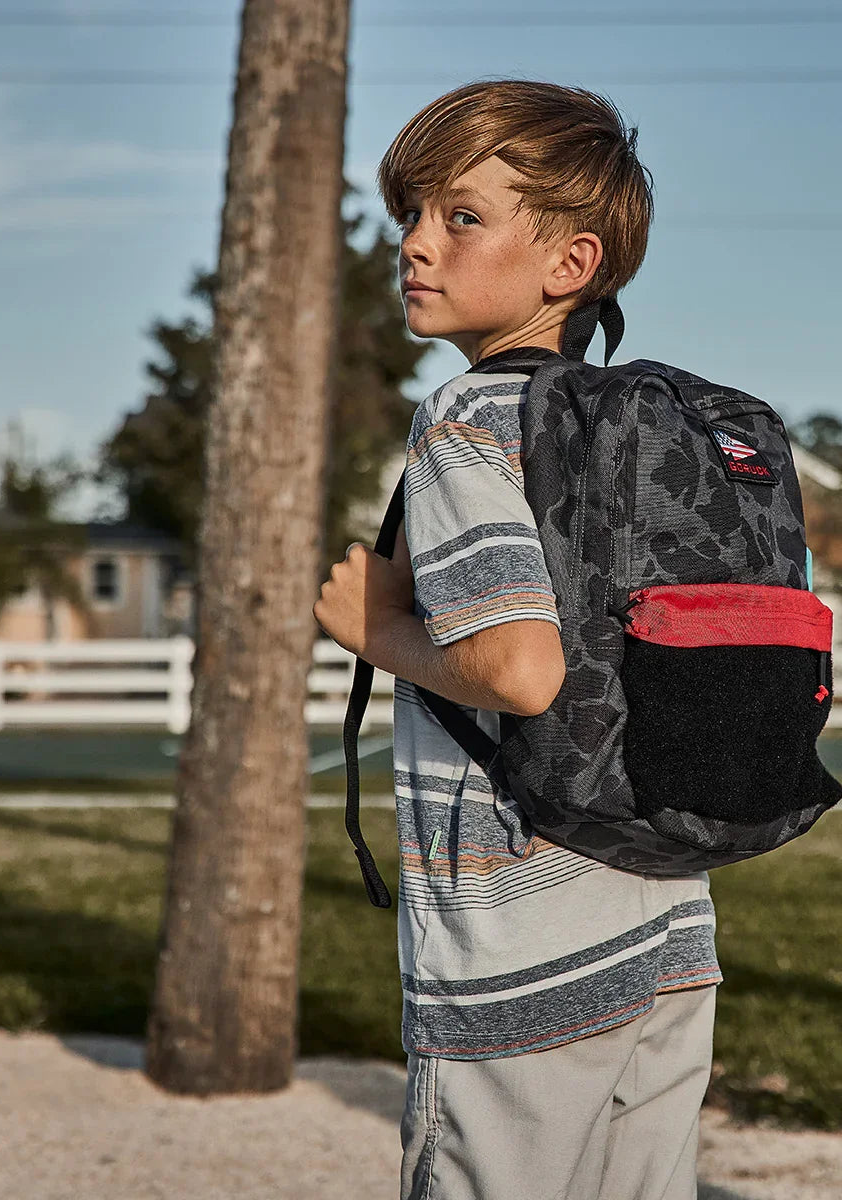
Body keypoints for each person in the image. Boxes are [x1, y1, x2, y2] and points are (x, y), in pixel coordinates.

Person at [313, 79, 720, 1200]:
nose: (415, 245)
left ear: (570, 263)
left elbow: (519, 671)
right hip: (666, 918)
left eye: (462, 217)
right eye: (413, 215)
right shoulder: (636, 434)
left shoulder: (468, 421)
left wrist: (377, 626)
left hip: (515, 956)